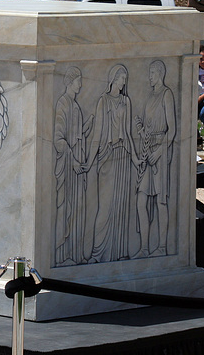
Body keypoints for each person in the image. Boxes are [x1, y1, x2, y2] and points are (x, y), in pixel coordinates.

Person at [82, 64, 139, 263]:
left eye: (125, 78)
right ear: (113, 78)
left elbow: (129, 133)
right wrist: (89, 162)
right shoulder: (103, 101)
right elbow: (97, 134)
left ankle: (119, 252)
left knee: (121, 206)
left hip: (123, 155)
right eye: (122, 77)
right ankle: (98, 253)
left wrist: (135, 157)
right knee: (105, 207)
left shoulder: (126, 101)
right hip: (106, 156)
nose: (124, 81)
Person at [135, 60, 176, 257]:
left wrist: (158, 153)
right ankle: (143, 248)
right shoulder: (150, 96)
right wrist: (141, 130)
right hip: (147, 150)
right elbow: (148, 129)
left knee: (161, 201)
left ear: (159, 73)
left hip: (161, 152)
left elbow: (172, 130)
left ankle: (161, 247)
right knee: (141, 200)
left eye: (152, 72)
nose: (149, 76)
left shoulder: (166, 94)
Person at [53, 66, 92, 266]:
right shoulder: (63, 104)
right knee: (66, 211)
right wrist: (73, 160)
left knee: (78, 211)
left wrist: (87, 128)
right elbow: (59, 139)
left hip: (77, 169)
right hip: (68, 169)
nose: (81, 84)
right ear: (70, 81)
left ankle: (75, 255)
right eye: (78, 80)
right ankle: (62, 256)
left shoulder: (75, 106)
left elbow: (76, 136)